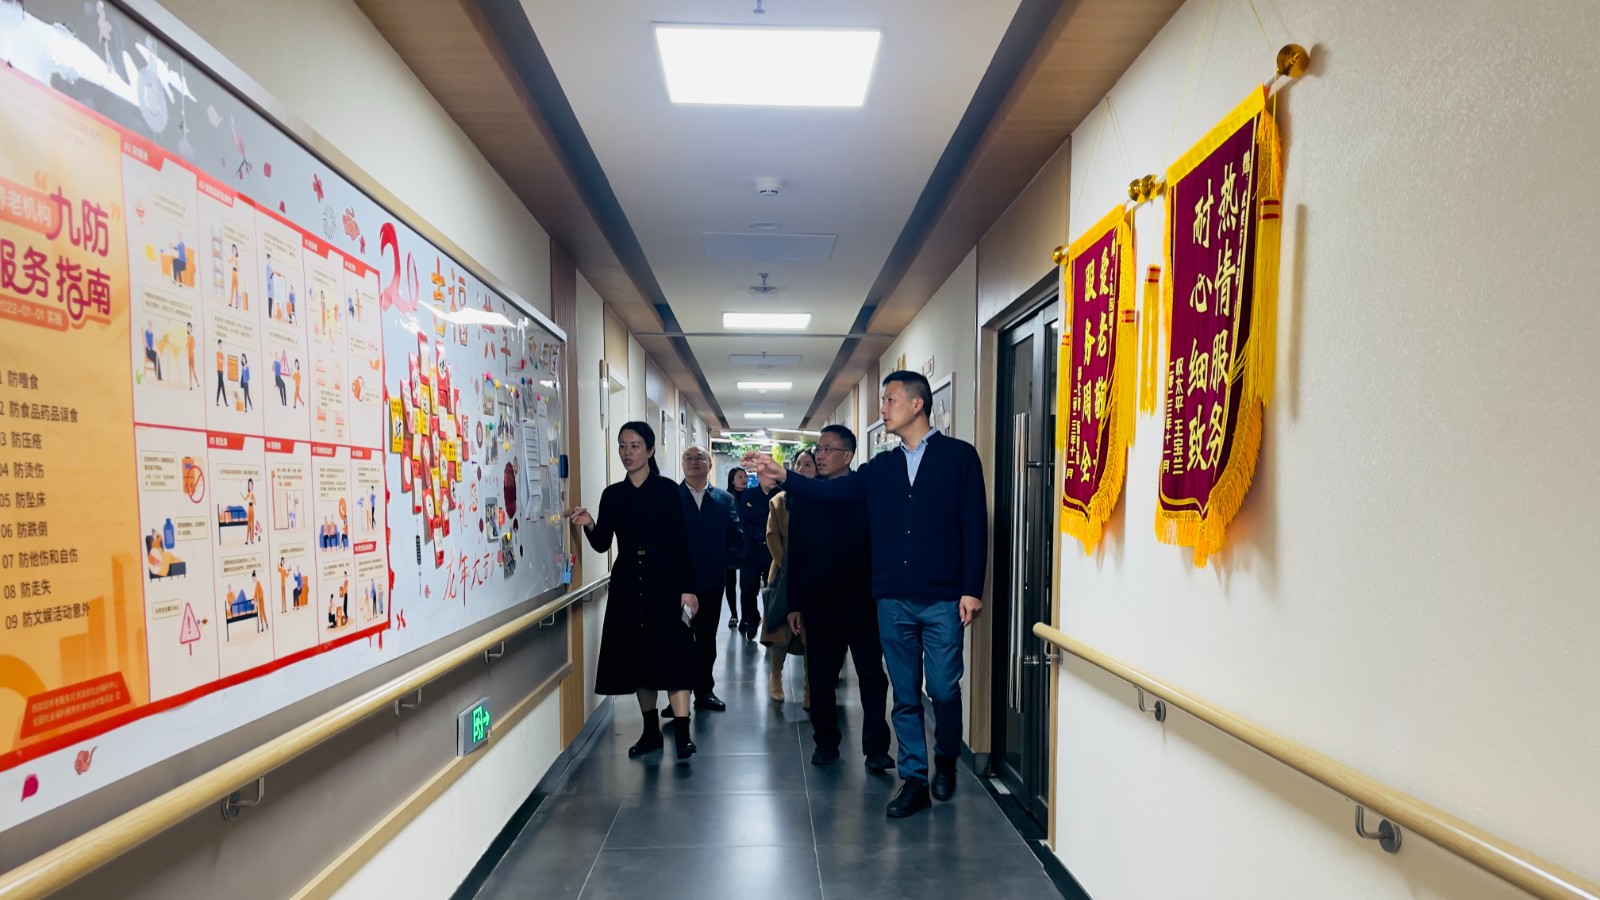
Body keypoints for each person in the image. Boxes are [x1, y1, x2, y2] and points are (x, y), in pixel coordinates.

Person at [747, 371, 987, 819]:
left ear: (917, 404)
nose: (883, 408)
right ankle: (914, 778)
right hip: (892, 598)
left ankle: (946, 755)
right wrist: (785, 477)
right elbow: (831, 492)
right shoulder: (881, 468)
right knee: (905, 693)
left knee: (941, 688)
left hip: (942, 597)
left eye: (890, 400)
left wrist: (972, 589)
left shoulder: (959, 458)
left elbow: (974, 525)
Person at [567, 421, 700, 761]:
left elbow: (682, 543)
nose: (627, 452)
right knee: (641, 657)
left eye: (635, 445)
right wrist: (589, 524)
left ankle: (683, 734)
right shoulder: (613, 495)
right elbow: (602, 544)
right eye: (622, 445)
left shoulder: (667, 491)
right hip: (628, 582)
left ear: (650, 451)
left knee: (674, 654)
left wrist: (688, 590)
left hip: (666, 582)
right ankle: (650, 731)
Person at [786, 426, 892, 771]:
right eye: (818, 449)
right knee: (820, 677)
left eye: (828, 449)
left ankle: (876, 749)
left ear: (847, 456)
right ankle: (826, 743)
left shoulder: (865, 493)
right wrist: (793, 603)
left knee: (872, 677)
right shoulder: (806, 496)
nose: (820, 455)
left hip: (863, 601)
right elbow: (795, 553)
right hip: (820, 601)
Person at [673, 444, 742, 715]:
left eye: (699, 458)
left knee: (706, 639)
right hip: (680, 586)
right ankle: (678, 697)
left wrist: (722, 560)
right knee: (680, 639)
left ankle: (704, 691)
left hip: (711, 583)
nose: (693, 462)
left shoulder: (724, 499)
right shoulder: (672, 498)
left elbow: (736, 535)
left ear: (709, 465)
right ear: (682, 464)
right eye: (688, 458)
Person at [762, 449, 814, 705]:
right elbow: (772, 536)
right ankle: (775, 677)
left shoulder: (821, 499)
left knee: (811, 635)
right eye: (798, 464)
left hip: (814, 576)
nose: (802, 469)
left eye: (808, 464)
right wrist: (787, 564)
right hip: (783, 574)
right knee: (778, 630)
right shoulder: (779, 501)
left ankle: (810, 688)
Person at [737, 466, 780, 639]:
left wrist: (755, 513)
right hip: (751, 549)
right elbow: (743, 514)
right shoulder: (749, 494)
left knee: (773, 590)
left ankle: (771, 624)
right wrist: (766, 512)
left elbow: (778, 517)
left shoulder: (780, 494)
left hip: (772, 550)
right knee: (748, 588)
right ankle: (753, 618)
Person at [723, 468, 747, 629]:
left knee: (746, 585)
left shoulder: (751, 495)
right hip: (730, 545)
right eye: (740, 477)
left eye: (745, 476)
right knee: (730, 582)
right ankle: (734, 614)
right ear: (732, 480)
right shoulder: (726, 498)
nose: (744, 479)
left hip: (746, 545)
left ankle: (745, 617)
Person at [186, 322, 197, 389]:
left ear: (191, 328)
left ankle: (197, 383)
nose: (189, 328)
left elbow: (194, 345)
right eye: (188, 327)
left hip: (192, 356)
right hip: (188, 356)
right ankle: (191, 385)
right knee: (190, 371)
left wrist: (192, 348)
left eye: (189, 327)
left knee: (193, 370)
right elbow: (186, 346)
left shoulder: (192, 337)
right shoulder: (187, 337)